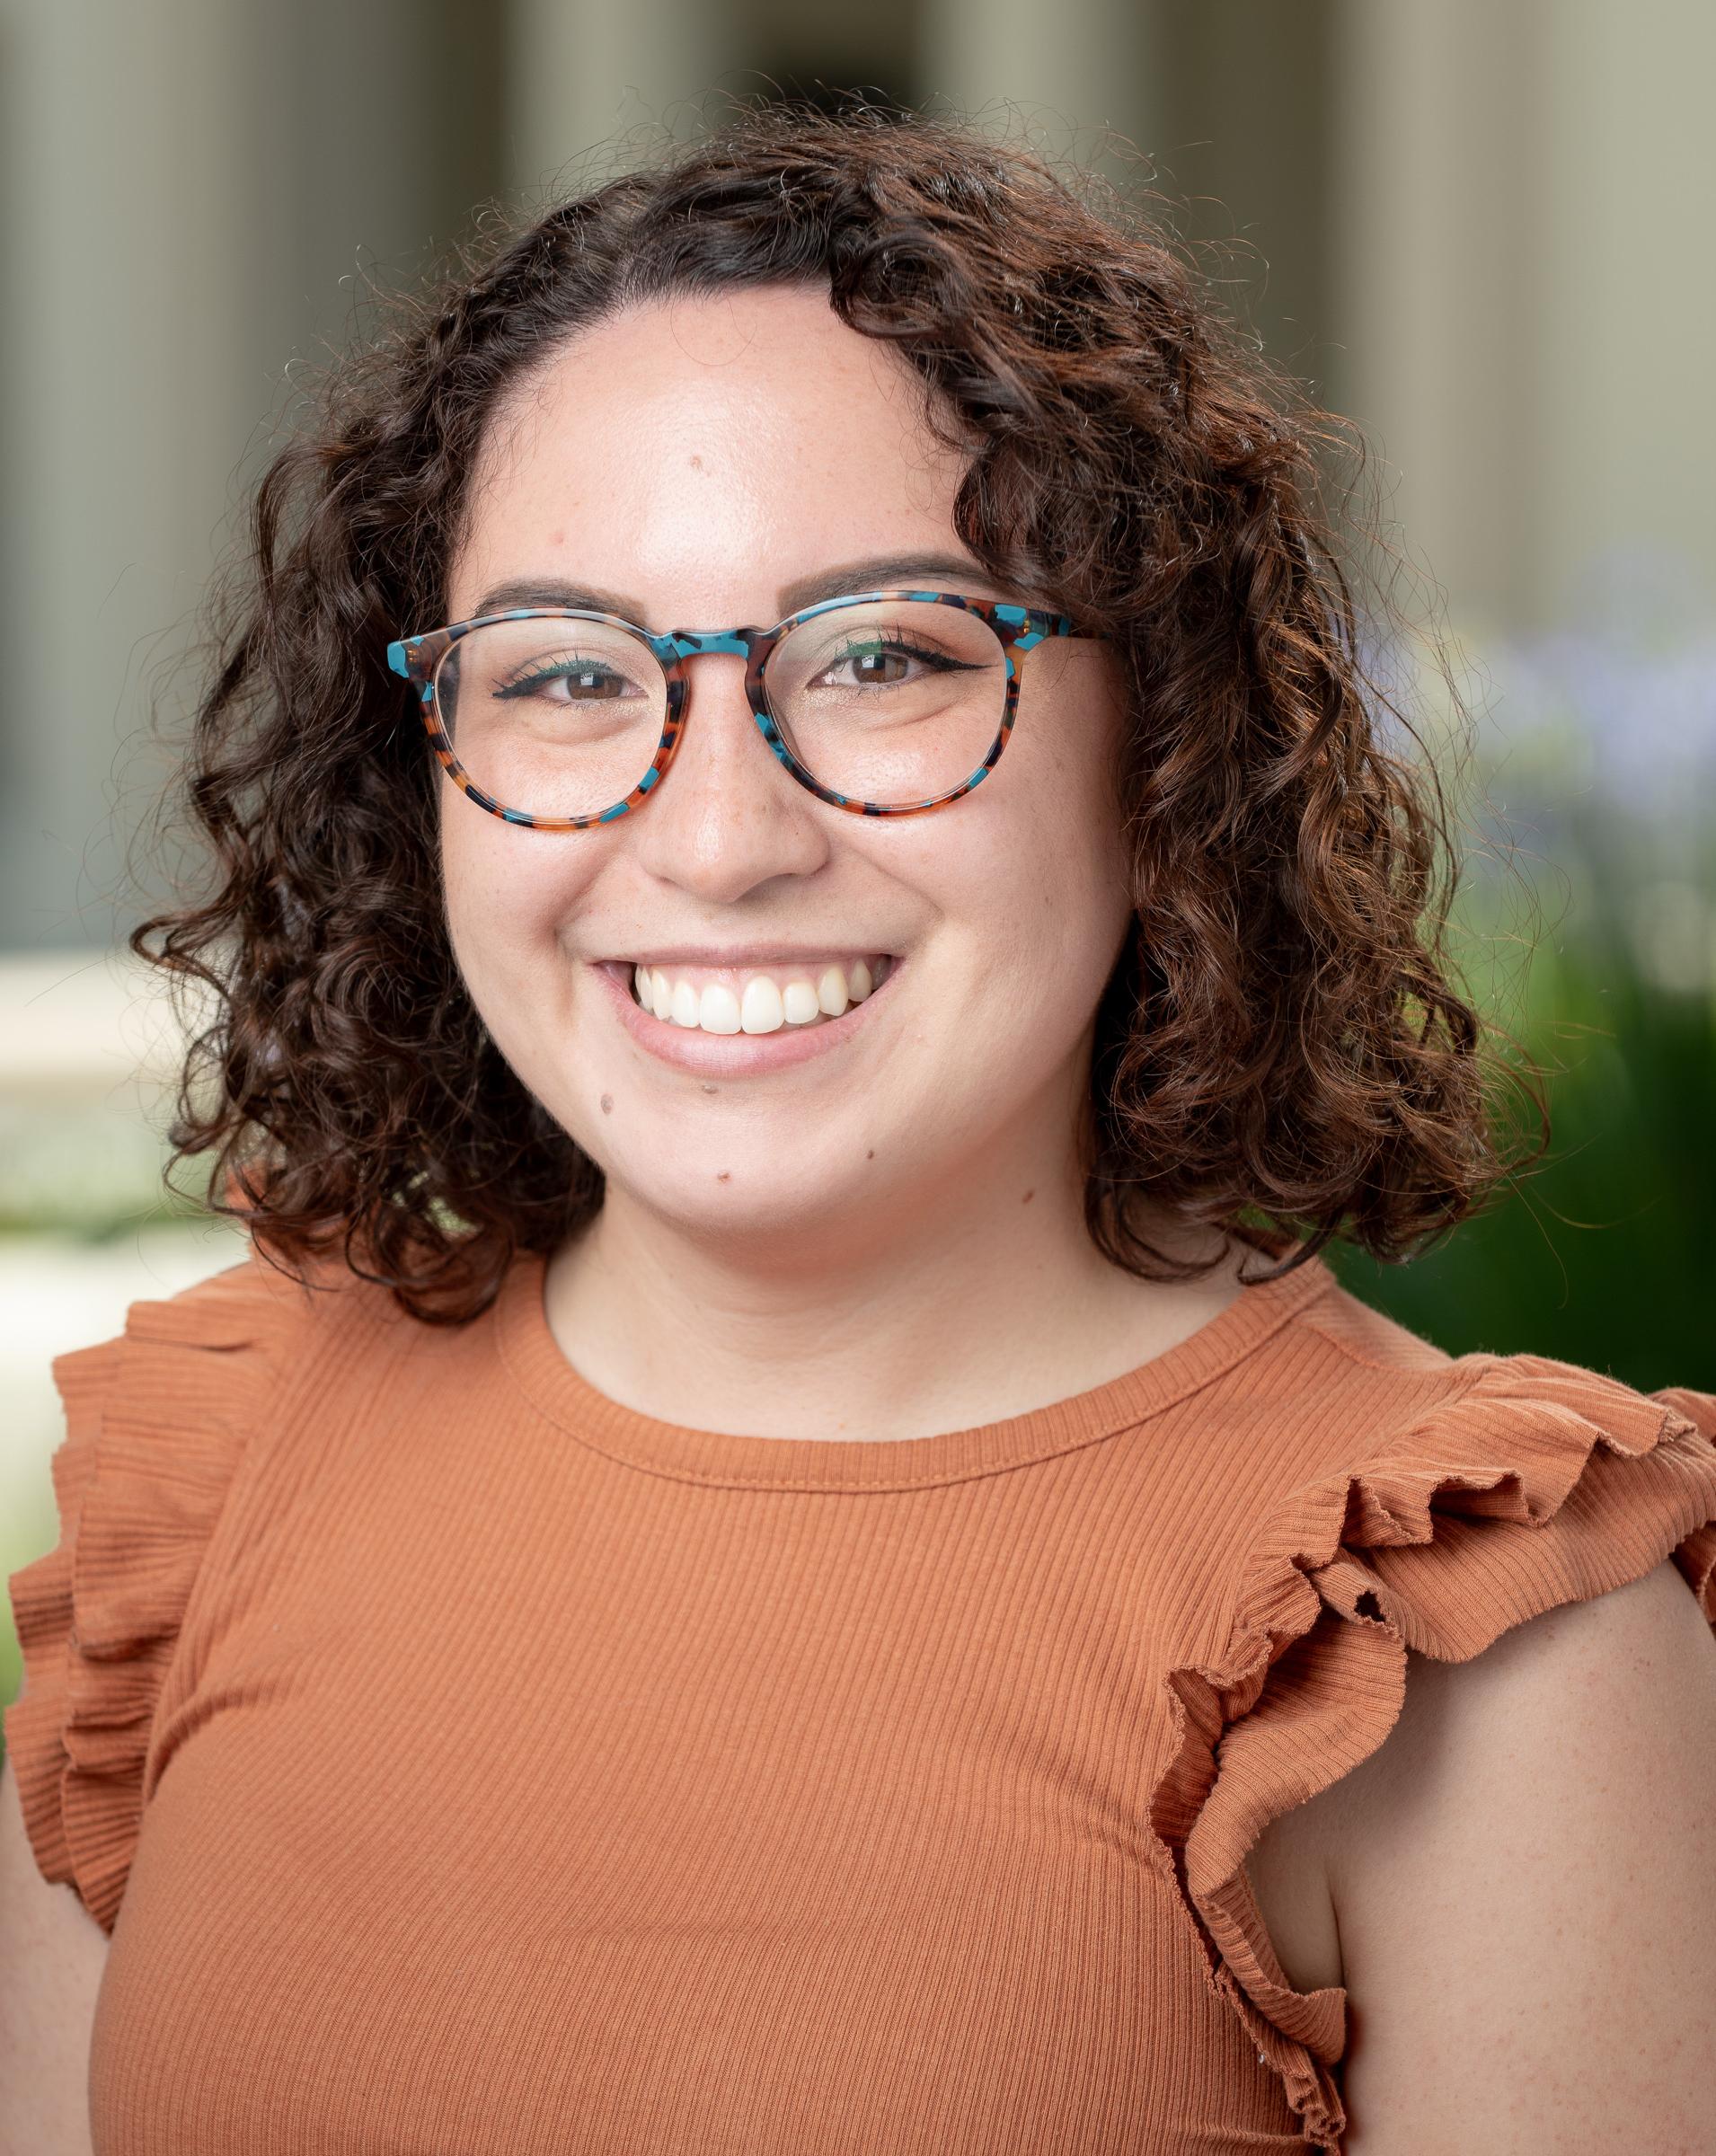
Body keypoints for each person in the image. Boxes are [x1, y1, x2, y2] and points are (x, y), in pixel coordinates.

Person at [4, 99, 1713, 2156]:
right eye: (564, 677)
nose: (716, 838)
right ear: (424, 767)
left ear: (1159, 746)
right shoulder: (215, 1469)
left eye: (887, 655)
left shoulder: (1469, 1633)